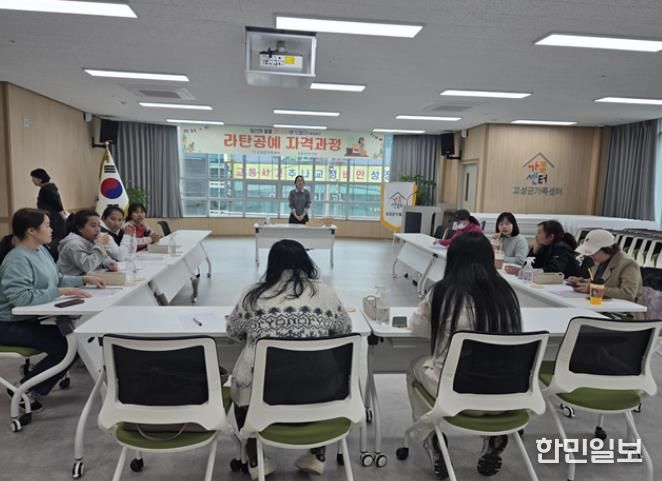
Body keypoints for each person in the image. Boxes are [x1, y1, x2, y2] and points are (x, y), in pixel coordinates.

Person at [226, 239, 351, 479]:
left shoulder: (252, 295)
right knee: (320, 368)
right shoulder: (326, 292)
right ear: (306, 262)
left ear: (272, 265)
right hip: (320, 388)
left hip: (265, 391)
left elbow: (233, 332)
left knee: (241, 385)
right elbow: (345, 329)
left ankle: (255, 459)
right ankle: (318, 454)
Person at [407, 231, 522, 479]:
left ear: (453, 259)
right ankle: (494, 436)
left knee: (415, 368)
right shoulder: (506, 293)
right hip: (506, 395)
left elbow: (418, 327)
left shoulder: (443, 292)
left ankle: (431, 438)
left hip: (458, 395)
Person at [0, 208, 105, 411]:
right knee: (66, 346)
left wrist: (83, 279)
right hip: (7, 324)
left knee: (72, 342)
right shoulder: (17, 259)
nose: (52, 230)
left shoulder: (40, 251)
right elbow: (21, 298)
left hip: (28, 321)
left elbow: (57, 279)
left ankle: (31, 384)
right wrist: (60, 291)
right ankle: (25, 390)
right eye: (47, 226)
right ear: (31, 231)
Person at [569, 229, 645, 318]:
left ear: (607, 249)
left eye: (593, 252)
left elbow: (628, 294)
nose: (590, 255)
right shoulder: (600, 260)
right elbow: (602, 281)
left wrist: (593, 289)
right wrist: (583, 282)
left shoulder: (628, 264)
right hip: (603, 309)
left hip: (624, 315)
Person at [57, 210, 118, 276]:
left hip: (87, 278)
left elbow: (100, 256)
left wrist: (108, 263)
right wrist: (100, 245)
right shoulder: (73, 244)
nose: (98, 229)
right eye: (93, 226)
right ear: (80, 228)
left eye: (99, 225)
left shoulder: (92, 239)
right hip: (72, 280)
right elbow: (88, 266)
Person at [30, 168, 67, 259]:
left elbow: (56, 203)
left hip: (53, 220)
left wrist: (63, 215)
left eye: (33, 178)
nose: (32, 180)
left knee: (53, 242)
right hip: (52, 219)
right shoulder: (48, 187)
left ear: (39, 179)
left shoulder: (46, 189)